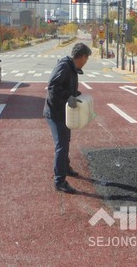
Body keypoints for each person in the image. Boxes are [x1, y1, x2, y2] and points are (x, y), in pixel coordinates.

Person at [43, 42, 91, 194]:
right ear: (82, 57)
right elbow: (53, 87)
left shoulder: (72, 67)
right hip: (55, 112)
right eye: (87, 58)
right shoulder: (64, 66)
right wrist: (68, 97)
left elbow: (65, 87)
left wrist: (75, 94)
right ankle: (59, 181)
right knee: (61, 145)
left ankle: (66, 167)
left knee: (66, 140)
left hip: (63, 112)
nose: (86, 61)